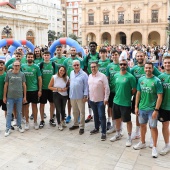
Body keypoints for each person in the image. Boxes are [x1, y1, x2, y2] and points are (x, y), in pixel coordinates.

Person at [130, 51, 161, 144]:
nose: (139, 57)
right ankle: (137, 132)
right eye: (138, 56)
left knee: (152, 121)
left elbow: (160, 76)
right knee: (138, 115)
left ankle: (152, 138)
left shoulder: (152, 68)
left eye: (141, 56)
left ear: (144, 57)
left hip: (150, 95)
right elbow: (130, 80)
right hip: (139, 94)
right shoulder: (133, 69)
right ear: (135, 57)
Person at [133, 62, 163, 158]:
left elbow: (160, 96)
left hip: (152, 109)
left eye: (149, 68)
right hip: (142, 108)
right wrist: (136, 106)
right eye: (146, 68)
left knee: (153, 127)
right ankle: (142, 142)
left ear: (152, 69)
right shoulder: (141, 79)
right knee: (142, 126)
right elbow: (138, 93)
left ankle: (154, 147)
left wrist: (156, 110)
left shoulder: (157, 81)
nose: (148, 70)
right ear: (144, 69)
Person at [110, 59, 136, 147]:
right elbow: (115, 86)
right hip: (116, 101)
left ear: (127, 65)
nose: (122, 66)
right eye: (121, 64)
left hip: (126, 103)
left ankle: (129, 137)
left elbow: (134, 89)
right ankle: (118, 133)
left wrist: (128, 95)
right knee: (117, 118)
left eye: (124, 64)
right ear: (119, 66)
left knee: (127, 120)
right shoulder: (116, 75)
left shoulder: (130, 77)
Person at [106, 50, 130, 134]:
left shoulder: (123, 64)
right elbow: (107, 79)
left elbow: (129, 77)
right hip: (112, 91)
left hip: (121, 92)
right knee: (112, 109)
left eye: (115, 54)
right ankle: (114, 126)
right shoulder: (109, 66)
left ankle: (121, 128)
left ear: (118, 55)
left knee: (122, 111)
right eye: (112, 54)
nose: (114, 56)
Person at [3, 60, 27, 137]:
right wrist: (4, 96)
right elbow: (6, 85)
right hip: (10, 97)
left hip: (19, 97)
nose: (16, 67)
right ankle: (8, 128)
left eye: (18, 65)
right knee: (9, 113)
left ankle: (19, 126)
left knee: (19, 112)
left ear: (20, 66)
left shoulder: (22, 74)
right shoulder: (9, 73)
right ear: (13, 66)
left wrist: (25, 96)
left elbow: (24, 85)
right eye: (15, 65)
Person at [88, 62, 110, 141]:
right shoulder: (90, 76)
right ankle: (96, 128)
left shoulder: (102, 76)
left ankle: (103, 132)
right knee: (95, 115)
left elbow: (106, 88)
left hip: (100, 100)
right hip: (92, 100)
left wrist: (106, 98)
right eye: (91, 67)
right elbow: (89, 87)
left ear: (97, 67)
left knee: (102, 116)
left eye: (94, 67)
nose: (93, 68)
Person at [21, 52, 42, 130]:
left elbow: (39, 79)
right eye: (28, 57)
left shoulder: (36, 67)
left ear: (33, 58)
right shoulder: (22, 67)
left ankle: (35, 121)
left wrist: (40, 90)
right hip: (25, 91)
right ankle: (27, 122)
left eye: (31, 57)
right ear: (26, 58)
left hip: (34, 90)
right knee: (26, 107)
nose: (30, 58)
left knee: (34, 106)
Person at [63, 47, 84, 123]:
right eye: (72, 50)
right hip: (69, 83)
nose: (73, 51)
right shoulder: (66, 60)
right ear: (70, 51)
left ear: (76, 51)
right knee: (69, 100)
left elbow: (82, 71)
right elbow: (64, 71)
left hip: (78, 83)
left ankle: (78, 116)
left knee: (78, 100)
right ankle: (69, 115)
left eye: (74, 50)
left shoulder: (80, 60)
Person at [39, 51, 57, 128]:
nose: (46, 56)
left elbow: (56, 75)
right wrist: (39, 89)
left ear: (50, 56)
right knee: (42, 104)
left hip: (51, 88)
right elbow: (39, 77)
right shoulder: (41, 64)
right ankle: (42, 120)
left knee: (52, 104)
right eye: (45, 55)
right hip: (43, 88)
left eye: (48, 55)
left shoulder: (53, 64)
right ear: (43, 56)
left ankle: (51, 118)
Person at [69, 60, 88, 135]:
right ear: (72, 66)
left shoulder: (84, 74)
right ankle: (76, 124)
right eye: (74, 65)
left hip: (81, 96)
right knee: (74, 111)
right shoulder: (71, 73)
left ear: (80, 65)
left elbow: (86, 86)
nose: (76, 66)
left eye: (77, 65)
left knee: (82, 112)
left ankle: (82, 127)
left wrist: (85, 96)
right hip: (72, 96)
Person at [48, 66, 69, 131]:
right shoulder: (54, 77)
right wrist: (57, 89)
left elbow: (68, 85)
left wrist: (66, 88)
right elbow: (49, 87)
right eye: (61, 70)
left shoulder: (67, 77)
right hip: (56, 94)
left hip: (64, 95)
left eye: (63, 70)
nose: (62, 72)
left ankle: (63, 120)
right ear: (58, 70)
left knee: (63, 108)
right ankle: (59, 123)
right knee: (58, 109)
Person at [84, 42, 100, 123]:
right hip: (90, 79)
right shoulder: (87, 57)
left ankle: (99, 114)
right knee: (90, 97)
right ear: (89, 47)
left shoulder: (99, 55)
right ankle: (90, 114)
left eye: (94, 46)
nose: (92, 47)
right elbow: (85, 68)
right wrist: (89, 75)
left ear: (96, 47)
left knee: (99, 97)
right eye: (91, 46)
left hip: (98, 79)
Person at [158, 56, 170, 155]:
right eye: (165, 62)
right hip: (164, 107)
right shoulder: (161, 77)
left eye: (169, 62)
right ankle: (167, 145)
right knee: (165, 125)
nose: (167, 64)